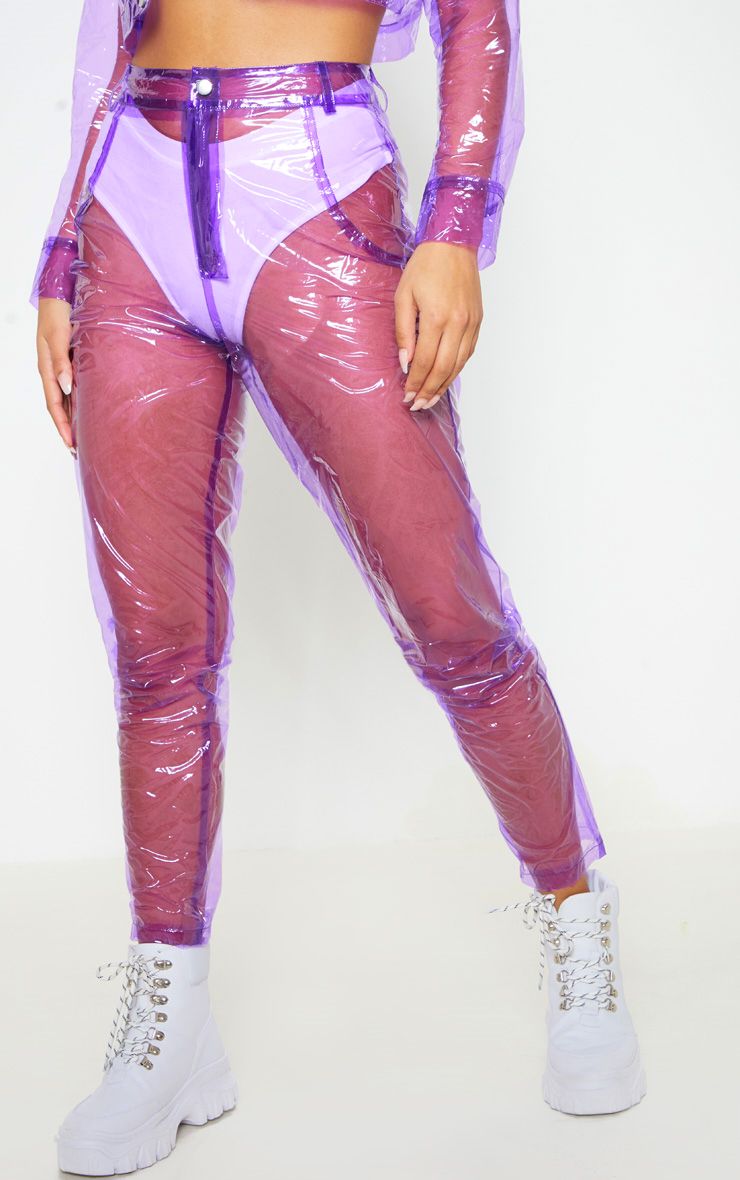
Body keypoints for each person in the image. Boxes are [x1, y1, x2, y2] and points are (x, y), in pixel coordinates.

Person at [33, 0, 645, 1172]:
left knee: (448, 612)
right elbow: (103, 31)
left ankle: (576, 913)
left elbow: (474, 11)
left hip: (312, 180)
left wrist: (454, 220)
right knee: (157, 649)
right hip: (131, 198)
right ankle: (170, 1015)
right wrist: (61, 249)